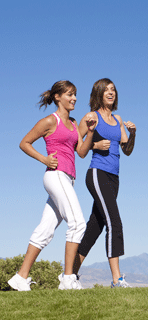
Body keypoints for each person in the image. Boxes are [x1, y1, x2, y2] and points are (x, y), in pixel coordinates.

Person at [8, 80, 96, 291]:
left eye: (75, 94)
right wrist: (44, 159)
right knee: (77, 223)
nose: (74, 98)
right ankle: (68, 278)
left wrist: (91, 132)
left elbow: (81, 153)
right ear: (58, 97)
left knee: (45, 230)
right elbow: (24, 143)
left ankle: (20, 277)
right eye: (69, 94)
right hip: (55, 175)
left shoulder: (74, 124)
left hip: (68, 179)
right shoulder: (49, 121)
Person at [72, 78, 136, 288]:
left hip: (114, 178)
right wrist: (95, 144)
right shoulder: (92, 117)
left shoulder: (118, 119)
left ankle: (70, 274)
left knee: (95, 227)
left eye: (113, 90)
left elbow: (127, 151)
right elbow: (79, 149)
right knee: (114, 222)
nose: (111, 93)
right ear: (98, 93)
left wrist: (133, 133)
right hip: (97, 174)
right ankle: (117, 279)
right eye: (106, 90)